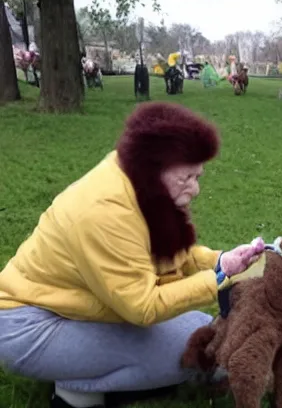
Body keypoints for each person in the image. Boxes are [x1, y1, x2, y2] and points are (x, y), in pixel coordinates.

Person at [0, 102, 265, 408]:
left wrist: (220, 261)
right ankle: (76, 390)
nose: (195, 190)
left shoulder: (137, 182)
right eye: (186, 178)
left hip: (74, 307)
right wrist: (219, 278)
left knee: (202, 328)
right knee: (194, 349)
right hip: (28, 328)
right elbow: (142, 307)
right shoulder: (105, 211)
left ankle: (87, 366)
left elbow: (167, 257)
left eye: (198, 177)